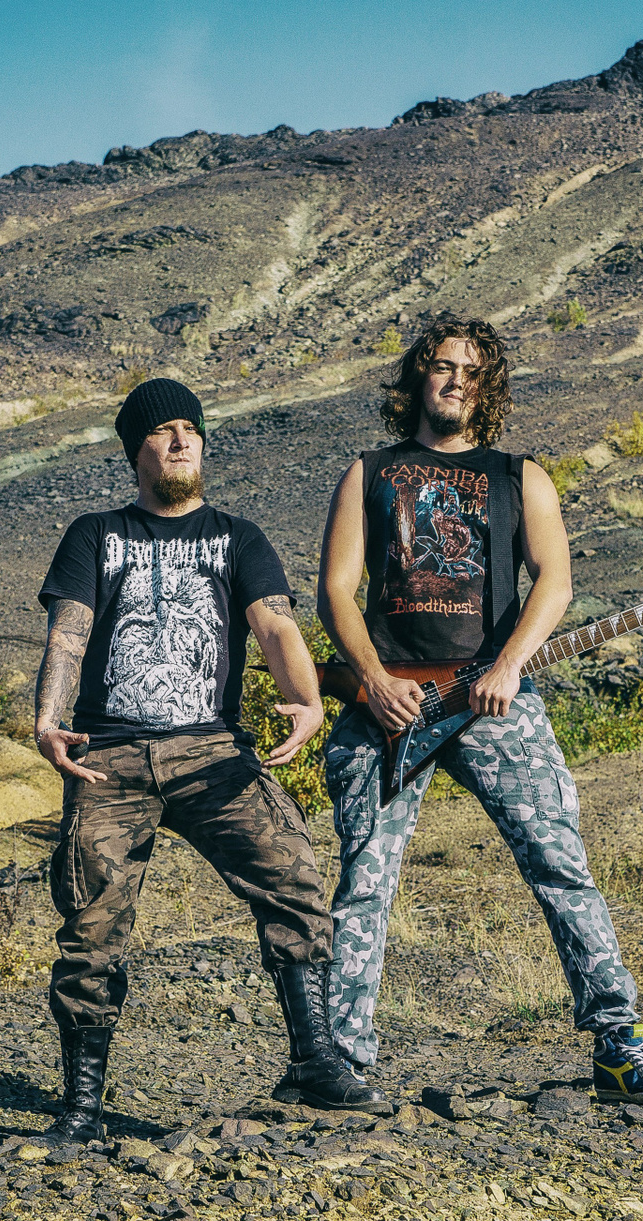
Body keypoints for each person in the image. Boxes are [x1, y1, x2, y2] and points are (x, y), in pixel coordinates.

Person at [317, 317, 643, 1102]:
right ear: (418, 377)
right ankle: (339, 1060)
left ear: (489, 388)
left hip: (494, 698)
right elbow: (336, 590)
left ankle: (618, 1043)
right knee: (363, 882)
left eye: (472, 371)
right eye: (442, 366)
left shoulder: (521, 476)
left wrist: (510, 664)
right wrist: (373, 679)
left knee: (560, 864)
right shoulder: (369, 472)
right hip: (390, 706)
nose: (456, 381)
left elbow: (556, 581)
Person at [34, 377, 385, 1144]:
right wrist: (47, 718)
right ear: (135, 450)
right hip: (109, 756)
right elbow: (69, 630)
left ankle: (315, 1060)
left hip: (213, 750)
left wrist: (305, 698)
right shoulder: (95, 533)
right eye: (163, 431)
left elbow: (276, 625)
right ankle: (82, 1109)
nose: (181, 440)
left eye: (191, 429)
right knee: (91, 926)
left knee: (293, 875)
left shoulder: (238, 537)